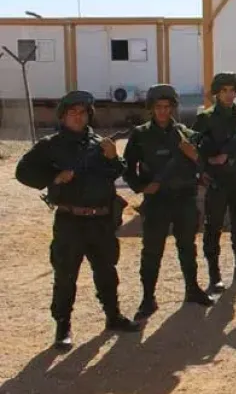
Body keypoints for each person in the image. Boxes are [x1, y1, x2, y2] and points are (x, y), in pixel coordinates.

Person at [15, 91, 141, 349]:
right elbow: (23, 172)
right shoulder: (50, 145)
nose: (77, 116)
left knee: (107, 271)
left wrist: (112, 157)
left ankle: (113, 316)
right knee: (66, 275)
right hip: (70, 221)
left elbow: (118, 171)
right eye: (72, 112)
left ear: (89, 115)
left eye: (82, 112)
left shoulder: (100, 143)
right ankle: (63, 326)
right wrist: (54, 177)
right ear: (63, 116)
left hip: (101, 221)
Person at [123, 84, 215, 320]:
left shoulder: (185, 133)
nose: (163, 111)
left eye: (167, 107)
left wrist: (193, 155)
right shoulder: (141, 135)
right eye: (158, 107)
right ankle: (148, 298)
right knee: (152, 251)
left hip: (184, 197)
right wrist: (141, 187)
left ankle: (192, 289)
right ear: (151, 109)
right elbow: (127, 168)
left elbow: (205, 164)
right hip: (157, 201)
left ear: (173, 108)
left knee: (187, 247)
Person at [192, 72, 236, 292]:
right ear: (217, 93)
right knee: (213, 227)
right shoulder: (206, 118)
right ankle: (214, 276)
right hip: (218, 179)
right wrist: (207, 165)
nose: (229, 94)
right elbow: (193, 147)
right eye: (224, 90)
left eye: (232, 90)